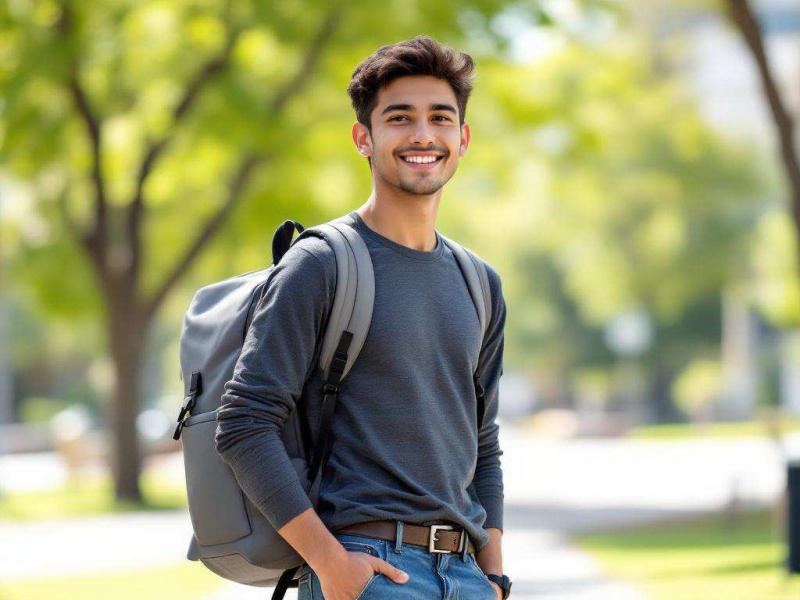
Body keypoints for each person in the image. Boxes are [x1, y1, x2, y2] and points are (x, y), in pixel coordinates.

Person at [215, 34, 511, 600]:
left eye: (440, 118)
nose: (422, 135)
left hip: (467, 575)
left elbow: (484, 443)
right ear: (364, 138)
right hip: (368, 571)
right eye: (399, 118)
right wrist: (330, 564)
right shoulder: (321, 264)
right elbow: (244, 423)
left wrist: (494, 578)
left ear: (463, 138)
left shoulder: (480, 283)